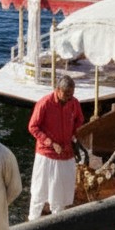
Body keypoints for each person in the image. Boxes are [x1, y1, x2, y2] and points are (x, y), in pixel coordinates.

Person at [27, 75, 85, 219]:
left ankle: (58, 219)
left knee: (60, 192)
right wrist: (50, 143)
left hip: (66, 153)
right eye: (66, 94)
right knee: (39, 191)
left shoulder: (74, 103)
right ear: (58, 90)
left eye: (71, 94)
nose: (69, 97)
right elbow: (33, 127)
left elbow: (79, 120)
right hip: (46, 154)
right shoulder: (44, 103)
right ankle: (32, 220)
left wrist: (73, 135)